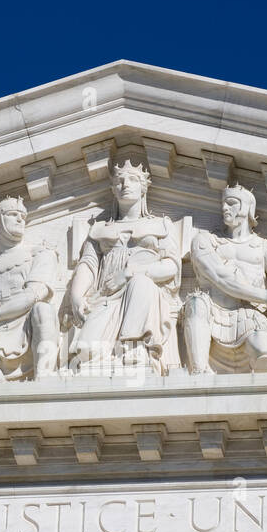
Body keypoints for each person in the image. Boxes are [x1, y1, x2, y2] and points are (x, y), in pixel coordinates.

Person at [65, 160, 181, 374]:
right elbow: (88, 264)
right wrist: (76, 296)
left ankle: (133, 345)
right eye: (119, 181)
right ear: (112, 190)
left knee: (141, 283)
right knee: (86, 351)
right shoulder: (100, 229)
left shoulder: (161, 225)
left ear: (143, 187)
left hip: (144, 298)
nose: (125, 184)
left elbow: (171, 266)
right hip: (106, 296)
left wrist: (129, 274)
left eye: (133, 179)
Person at [183, 184, 267, 373]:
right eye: (223, 204)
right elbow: (220, 276)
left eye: (232, 203)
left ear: (248, 208)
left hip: (249, 315)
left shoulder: (264, 248)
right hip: (212, 311)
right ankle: (198, 374)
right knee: (195, 302)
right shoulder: (205, 241)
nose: (224, 208)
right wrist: (265, 295)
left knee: (265, 354)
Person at [0, 196, 59, 383]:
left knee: (43, 309)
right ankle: (9, 406)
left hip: (29, 324)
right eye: (13, 214)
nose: (20, 220)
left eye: (23, 216)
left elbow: (31, 296)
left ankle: (44, 380)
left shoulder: (40, 253)